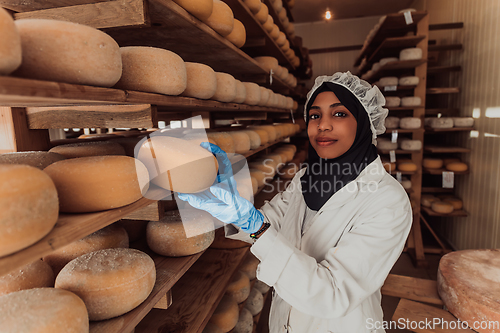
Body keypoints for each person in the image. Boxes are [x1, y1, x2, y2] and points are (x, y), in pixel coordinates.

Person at [178, 71, 413, 333]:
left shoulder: (387, 201)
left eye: (339, 113)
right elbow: (271, 224)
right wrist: (237, 210)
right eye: (315, 115)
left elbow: (333, 294)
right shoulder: (308, 177)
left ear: (363, 122)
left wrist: (256, 227)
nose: (322, 125)